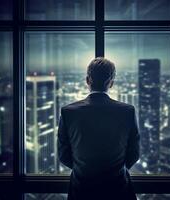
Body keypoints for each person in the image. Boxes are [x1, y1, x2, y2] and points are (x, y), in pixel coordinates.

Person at [58, 57, 140, 200]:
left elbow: (64, 155)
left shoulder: (68, 112)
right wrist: (115, 170)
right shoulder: (127, 111)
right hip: (118, 190)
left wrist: (85, 170)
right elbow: (134, 154)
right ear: (111, 83)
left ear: (87, 80)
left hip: (81, 190)